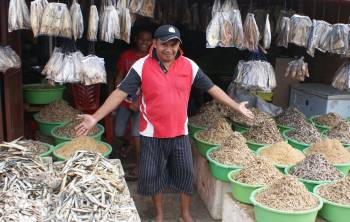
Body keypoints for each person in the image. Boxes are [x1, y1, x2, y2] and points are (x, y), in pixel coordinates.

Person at [76, 25, 254, 222]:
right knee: (154, 178)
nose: (169, 49)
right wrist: (94, 117)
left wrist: (236, 106)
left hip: (179, 134)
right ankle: (159, 215)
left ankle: (185, 214)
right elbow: (120, 93)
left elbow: (212, 88)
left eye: (173, 44)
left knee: (186, 176)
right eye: (164, 44)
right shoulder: (141, 66)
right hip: (152, 135)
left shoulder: (189, 66)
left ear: (179, 45)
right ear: (155, 44)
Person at [114, 29, 153, 180]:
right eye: (141, 39)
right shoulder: (126, 56)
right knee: (118, 132)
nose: (144, 42)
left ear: (153, 42)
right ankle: (126, 143)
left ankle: (138, 166)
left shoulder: (152, 59)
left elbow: (152, 84)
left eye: (148, 39)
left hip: (143, 103)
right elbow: (119, 77)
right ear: (136, 39)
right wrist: (118, 96)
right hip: (125, 100)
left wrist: (137, 101)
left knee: (138, 135)